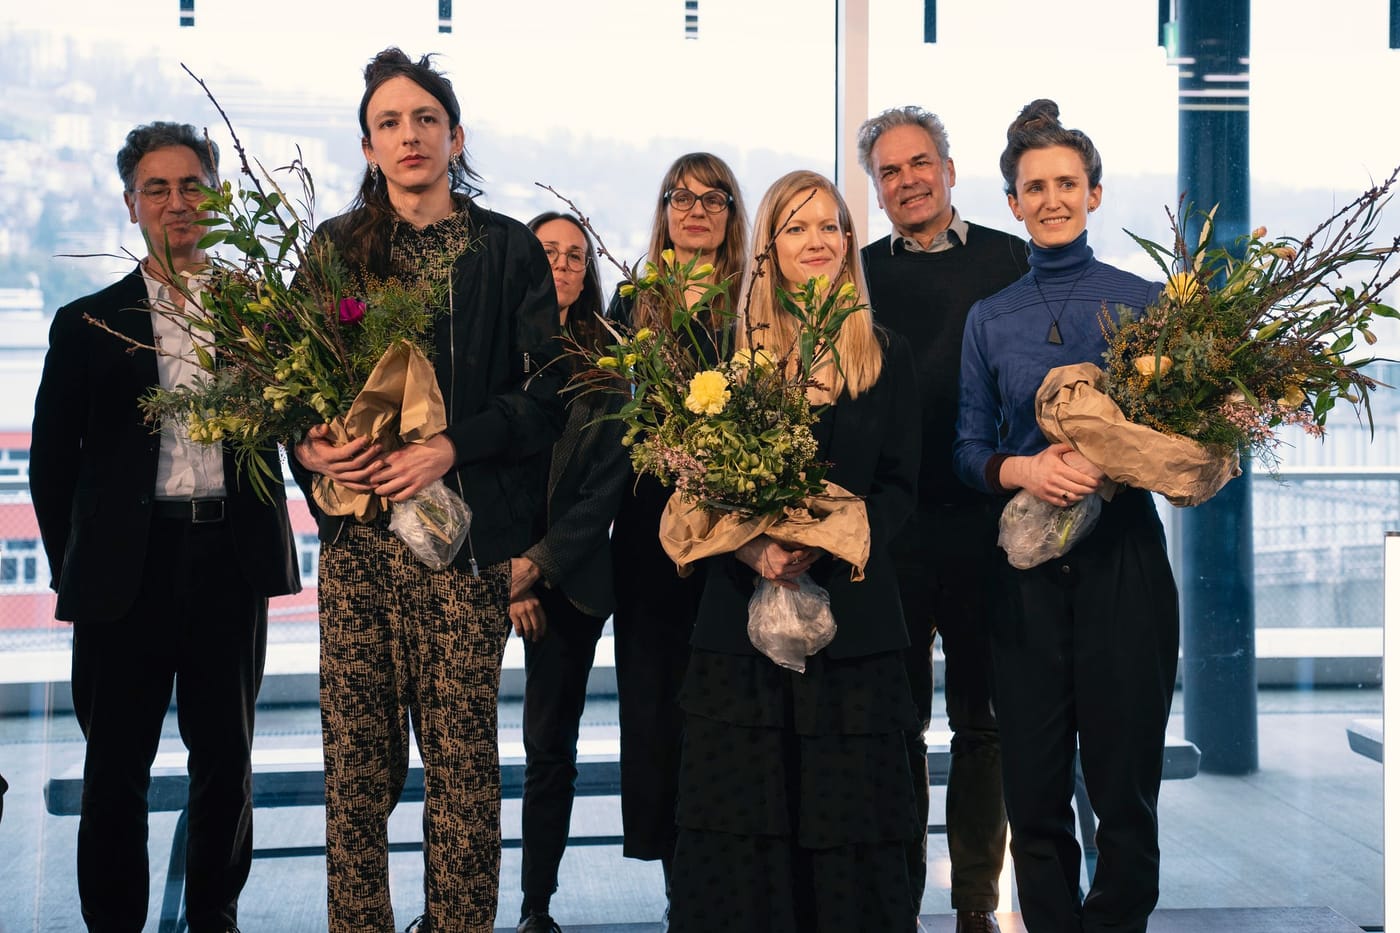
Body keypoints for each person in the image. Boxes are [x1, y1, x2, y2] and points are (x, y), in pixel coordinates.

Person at [288, 49, 563, 933]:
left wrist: (448, 446)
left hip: (463, 549)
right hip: (361, 550)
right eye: (388, 124)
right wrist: (314, 447)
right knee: (357, 777)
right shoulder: (334, 250)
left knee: (461, 778)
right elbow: (287, 388)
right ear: (368, 147)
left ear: (455, 135)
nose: (408, 136)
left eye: (424, 120)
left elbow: (545, 394)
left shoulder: (506, 246)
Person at [30, 121, 301, 933]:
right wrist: (75, 566)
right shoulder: (87, 323)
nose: (176, 202)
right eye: (158, 188)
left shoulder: (264, 314)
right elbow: (51, 467)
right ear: (131, 204)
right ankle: (114, 921)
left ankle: (215, 912)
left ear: (217, 199)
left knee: (227, 761)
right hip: (126, 573)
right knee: (117, 768)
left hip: (230, 561)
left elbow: (306, 424)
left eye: (191, 186)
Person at [668, 170, 922, 932]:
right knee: (744, 841)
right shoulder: (722, 357)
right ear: (768, 249)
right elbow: (688, 491)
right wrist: (750, 553)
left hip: (856, 641)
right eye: (797, 227)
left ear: (850, 245)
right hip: (737, 644)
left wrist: (822, 541)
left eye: (832, 227)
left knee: (851, 843)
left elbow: (903, 491)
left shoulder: (886, 354)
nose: (817, 241)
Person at [953, 100, 1179, 933]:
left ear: (1094, 194)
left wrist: (1114, 459)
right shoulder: (990, 318)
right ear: (1012, 202)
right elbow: (967, 446)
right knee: (1036, 787)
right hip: (1026, 576)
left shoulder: (1146, 303)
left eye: (1067, 183)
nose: (1051, 198)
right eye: (1033, 186)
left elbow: (1181, 431)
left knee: (1126, 786)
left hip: (1125, 563)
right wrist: (1026, 466)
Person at [856, 105, 1030, 933]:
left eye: (919, 163)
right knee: (895, 721)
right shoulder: (856, 276)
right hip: (889, 526)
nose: (908, 181)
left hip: (989, 524)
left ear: (951, 169)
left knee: (982, 720)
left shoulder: (1012, 260)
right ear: (877, 189)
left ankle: (973, 904)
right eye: (889, 171)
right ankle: (893, 896)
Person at [605, 152, 749, 906]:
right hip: (646, 531)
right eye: (679, 196)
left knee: (725, 700)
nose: (694, 209)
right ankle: (679, 892)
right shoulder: (632, 299)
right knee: (657, 705)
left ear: (732, 213)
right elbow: (603, 420)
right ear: (662, 209)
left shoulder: (754, 302)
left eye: (712, 197)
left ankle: (727, 883)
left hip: (732, 527)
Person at [512, 212, 631, 933]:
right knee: (452, 748)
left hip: (572, 579)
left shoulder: (606, 363)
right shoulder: (487, 350)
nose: (561, 263)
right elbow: (466, 472)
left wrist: (539, 567)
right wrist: (506, 574)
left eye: (576, 255)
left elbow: (605, 489)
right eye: (547, 251)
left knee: (550, 748)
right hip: (482, 572)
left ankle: (536, 908)